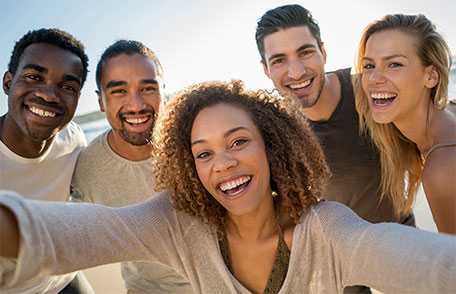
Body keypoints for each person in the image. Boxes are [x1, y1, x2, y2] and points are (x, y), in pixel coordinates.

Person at [0, 80, 455, 294]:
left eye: (238, 142)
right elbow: (77, 233)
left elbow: (429, 264)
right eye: (203, 153)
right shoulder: (177, 224)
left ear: (272, 147)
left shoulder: (328, 230)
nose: (223, 164)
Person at [255, 4, 416, 227]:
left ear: (324, 52)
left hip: (403, 245)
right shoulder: (275, 133)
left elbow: (431, 124)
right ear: (266, 69)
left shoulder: (371, 91)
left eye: (305, 52)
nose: (297, 72)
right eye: (279, 60)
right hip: (337, 258)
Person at [71, 40, 192, 293]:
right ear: (101, 101)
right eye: (119, 91)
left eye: (148, 88)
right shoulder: (84, 169)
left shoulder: (198, 141)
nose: (136, 105)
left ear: (163, 91)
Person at [0, 28, 93, 293]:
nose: (49, 95)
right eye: (33, 77)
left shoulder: (74, 138)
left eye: (67, 86)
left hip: (63, 277)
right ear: (8, 82)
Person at [354, 14, 455, 234]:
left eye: (394, 64)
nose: (373, 78)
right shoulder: (449, 113)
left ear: (431, 76)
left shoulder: (444, 165)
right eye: (369, 65)